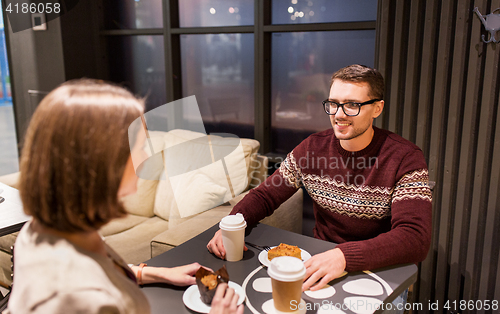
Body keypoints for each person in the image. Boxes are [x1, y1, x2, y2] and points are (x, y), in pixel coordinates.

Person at [8, 79, 244, 314]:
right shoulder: (84, 300)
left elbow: (103, 270)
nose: (146, 158)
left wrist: (151, 273)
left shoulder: (43, 230)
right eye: (141, 147)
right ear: (105, 162)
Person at [207, 64, 432, 294]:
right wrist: (233, 223)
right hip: (321, 260)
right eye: (333, 104)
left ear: (377, 108)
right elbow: (266, 195)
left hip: (380, 268)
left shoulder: (404, 157)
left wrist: (343, 256)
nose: (339, 114)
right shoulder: (312, 148)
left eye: (352, 105)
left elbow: (415, 238)